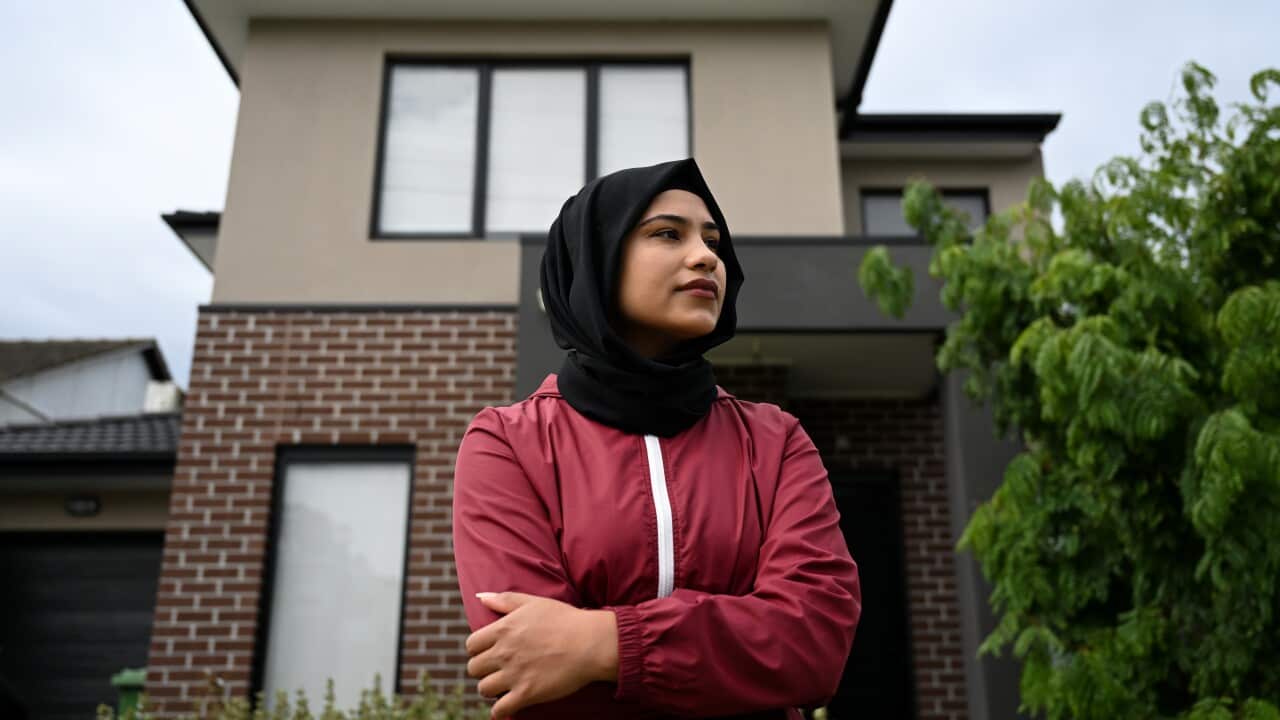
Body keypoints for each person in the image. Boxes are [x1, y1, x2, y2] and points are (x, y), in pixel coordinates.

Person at [452, 158, 861, 720]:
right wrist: (736, 645)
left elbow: (814, 642)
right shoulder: (507, 442)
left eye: (713, 240)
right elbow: (525, 661)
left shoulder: (775, 441)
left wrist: (604, 643)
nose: (706, 257)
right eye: (668, 234)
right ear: (596, 260)